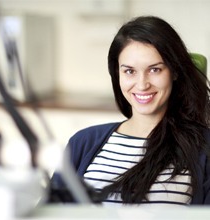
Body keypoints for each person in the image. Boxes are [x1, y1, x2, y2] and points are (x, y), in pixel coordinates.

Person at [64, 16, 210, 206]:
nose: (142, 85)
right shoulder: (82, 142)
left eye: (155, 70)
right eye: (130, 71)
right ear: (117, 74)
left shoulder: (204, 147)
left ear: (174, 71)